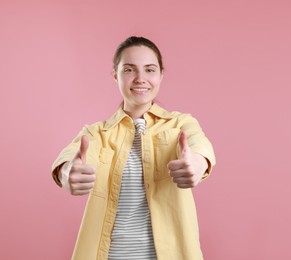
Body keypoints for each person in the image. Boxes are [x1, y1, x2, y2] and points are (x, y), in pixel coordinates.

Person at [51, 36, 216, 260]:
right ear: (115, 76)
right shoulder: (95, 133)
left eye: (149, 69)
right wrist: (68, 172)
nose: (140, 79)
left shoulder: (182, 124)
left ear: (161, 75)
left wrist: (196, 164)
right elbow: (71, 159)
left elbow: (200, 147)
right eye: (129, 70)